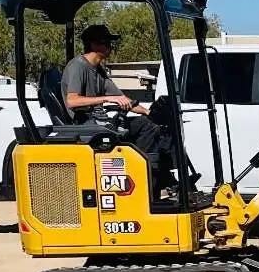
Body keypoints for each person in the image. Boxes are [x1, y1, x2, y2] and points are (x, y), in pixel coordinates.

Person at [61, 24, 179, 191]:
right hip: (84, 124)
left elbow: (122, 99)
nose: (110, 46)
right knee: (130, 132)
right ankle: (145, 179)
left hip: (100, 122)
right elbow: (72, 101)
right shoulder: (78, 66)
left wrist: (148, 112)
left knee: (150, 125)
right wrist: (108, 98)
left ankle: (154, 175)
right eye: (107, 42)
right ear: (94, 45)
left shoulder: (99, 71)